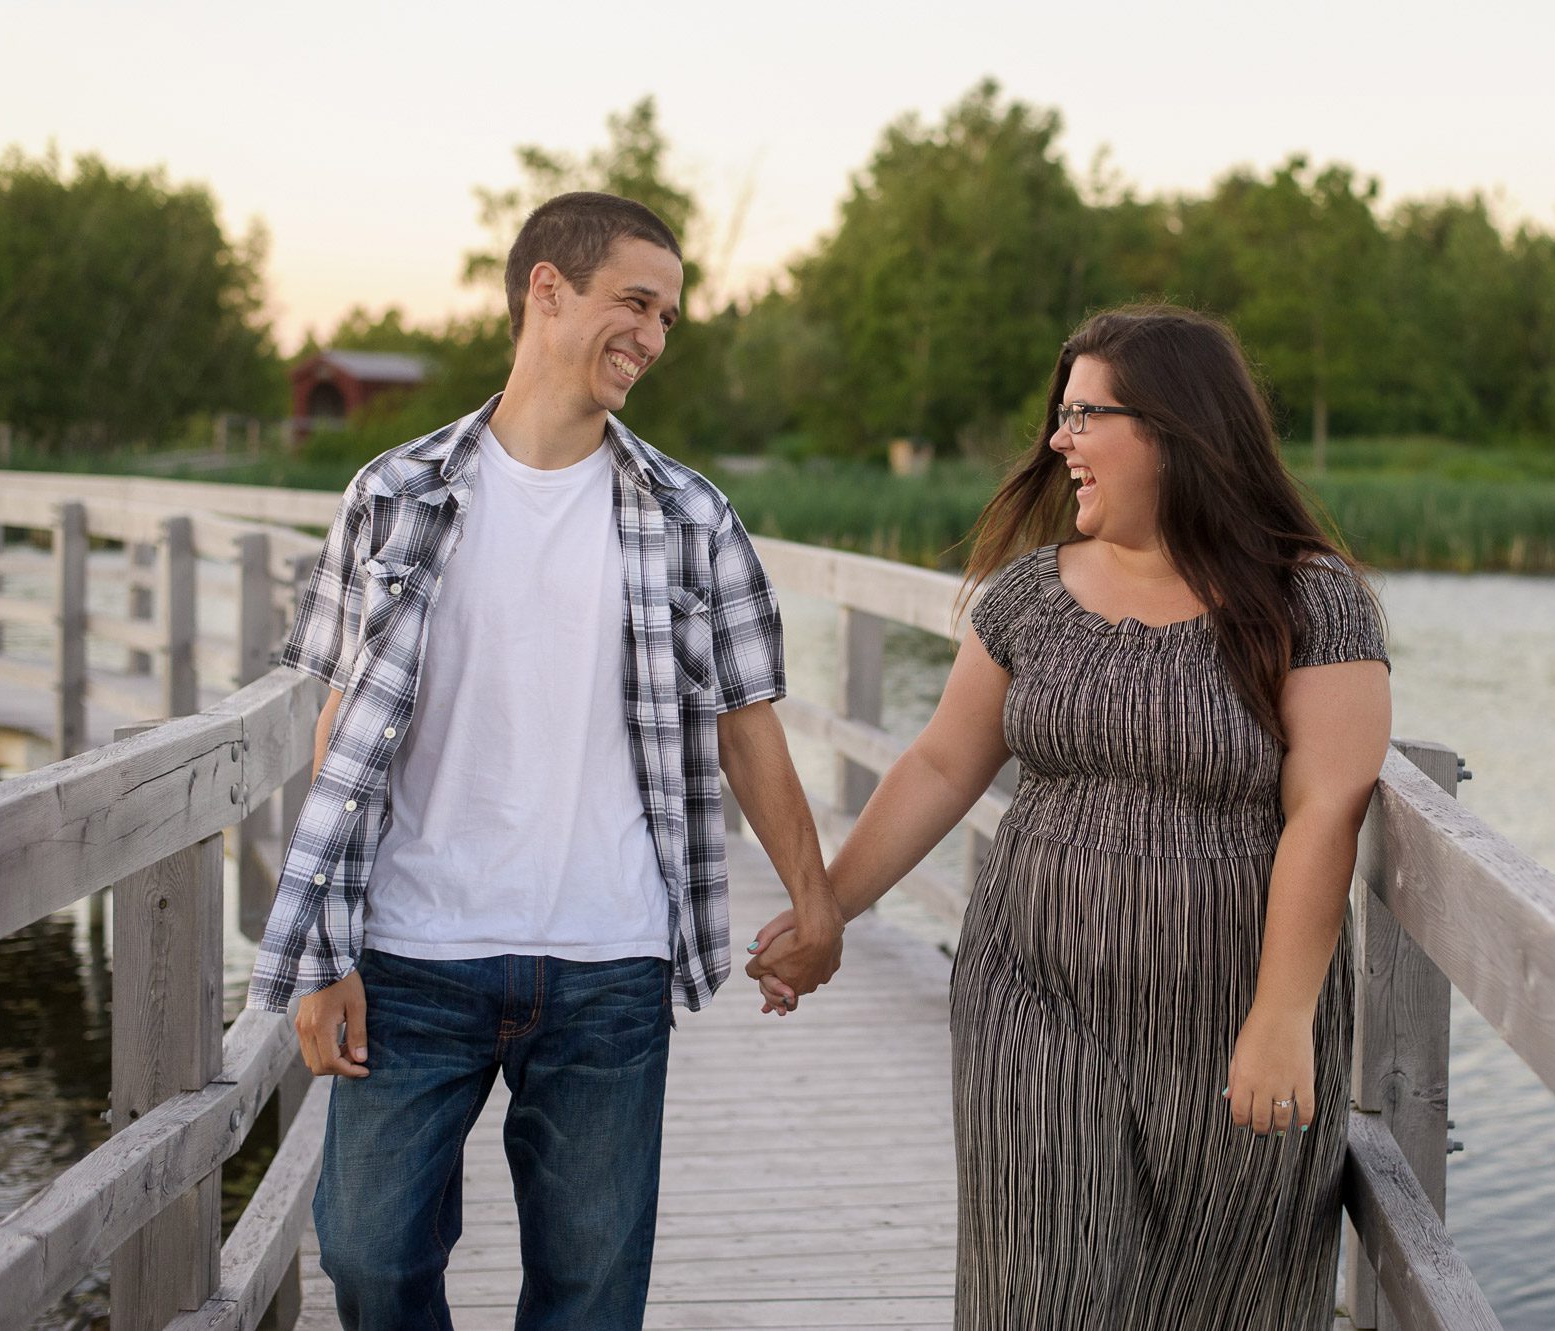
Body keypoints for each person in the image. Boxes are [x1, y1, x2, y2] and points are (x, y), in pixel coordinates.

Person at [245, 191, 844, 1330]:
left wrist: (815, 902)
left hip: (607, 960)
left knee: (588, 1297)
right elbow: (339, 732)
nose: (654, 338)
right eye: (635, 302)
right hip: (412, 950)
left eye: (669, 317)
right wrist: (321, 945)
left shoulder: (690, 513)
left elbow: (747, 721)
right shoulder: (393, 492)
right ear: (546, 289)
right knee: (366, 1255)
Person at [749, 305, 1392, 1329]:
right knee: (1039, 1296)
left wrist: (1279, 1017)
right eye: (1059, 416)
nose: (1058, 441)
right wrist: (825, 909)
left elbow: (1327, 806)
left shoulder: (1309, 600)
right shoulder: (1027, 597)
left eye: (1084, 415)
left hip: (1234, 1002)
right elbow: (940, 764)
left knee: (1230, 1302)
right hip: (1033, 992)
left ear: (1173, 427)